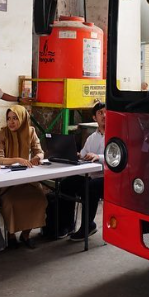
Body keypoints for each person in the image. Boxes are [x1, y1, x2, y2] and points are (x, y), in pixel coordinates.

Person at [0, 105, 47, 249]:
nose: (11, 122)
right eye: (9, 119)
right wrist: (17, 160)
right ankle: (11, 236)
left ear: (23, 119)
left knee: (39, 198)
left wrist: (37, 157)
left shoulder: (30, 132)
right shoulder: (2, 134)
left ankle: (25, 235)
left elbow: (40, 151)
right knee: (11, 202)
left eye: (15, 118)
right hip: (7, 181)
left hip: (27, 179)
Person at [59, 102, 106, 241]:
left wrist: (99, 157)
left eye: (106, 112)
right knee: (66, 184)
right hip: (92, 175)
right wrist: (77, 155)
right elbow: (84, 154)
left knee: (89, 188)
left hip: (109, 178)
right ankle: (68, 225)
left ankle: (87, 226)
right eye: (100, 113)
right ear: (94, 118)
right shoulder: (92, 138)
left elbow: (118, 158)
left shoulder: (117, 134)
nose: (104, 115)